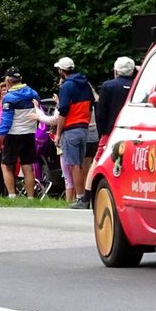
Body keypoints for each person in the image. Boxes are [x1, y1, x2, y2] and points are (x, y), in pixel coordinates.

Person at [71, 56, 136, 209]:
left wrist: (103, 132)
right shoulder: (137, 85)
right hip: (133, 132)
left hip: (111, 132)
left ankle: (86, 198)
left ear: (116, 70)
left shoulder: (109, 86)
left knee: (97, 162)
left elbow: (101, 113)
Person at [54, 57, 94, 207]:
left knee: (74, 165)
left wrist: (58, 133)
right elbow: (90, 107)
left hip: (71, 128)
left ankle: (80, 198)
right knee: (82, 164)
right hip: (84, 128)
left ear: (62, 71)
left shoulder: (66, 86)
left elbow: (63, 111)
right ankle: (84, 196)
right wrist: (86, 123)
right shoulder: (86, 84)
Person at [0, 67, 41, 199]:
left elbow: (6, 121)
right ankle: (31, 197)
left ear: (8, 80)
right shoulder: (33, 93)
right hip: (29, 133)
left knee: (6, 165)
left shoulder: (9, 97)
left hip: (13, 135)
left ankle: (12, 195)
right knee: (27, 166)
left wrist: (0, 138)